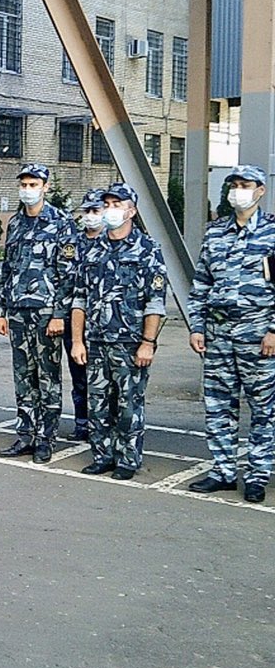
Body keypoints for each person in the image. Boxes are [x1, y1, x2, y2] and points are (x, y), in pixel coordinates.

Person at [186, 165, 275, 503]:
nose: (238, 190)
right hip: (218, 333)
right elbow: (201, 283)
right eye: (234, 184)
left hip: (258, 335)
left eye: (246, 184)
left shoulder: (271, 233)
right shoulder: (216, 232)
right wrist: (197, 326)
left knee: (263, 409)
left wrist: (273, 330)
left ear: (260, 190)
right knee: (219, 406)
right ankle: (223, 470)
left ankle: (256, 475)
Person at [69, 183, 167, 480]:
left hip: (129, 342)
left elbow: (156, 301)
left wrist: (148, 342)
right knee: (98, 403)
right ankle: (103, 454)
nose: (111, 209)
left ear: (131, 211)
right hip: (97, 341)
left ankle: (127, 458)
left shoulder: (148, 250)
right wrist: (77, 341)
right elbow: (80, 298)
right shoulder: (92, 249)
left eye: (117, 204)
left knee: (128, 406)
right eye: (107, 203)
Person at [0, 163, 79, 463]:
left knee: (47, 377)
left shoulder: (61, 223)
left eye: (33, 185)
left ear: (45, 186)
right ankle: (25, 435)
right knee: (23, 376)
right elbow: (8, 269)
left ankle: (46, 438)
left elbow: (68, 274)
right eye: (24, 185)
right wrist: (1, 311)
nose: (27, 190)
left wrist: (59, 314)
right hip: (18, 312)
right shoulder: (16, 224)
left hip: (46, 313)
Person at [62, 190, 106, 440]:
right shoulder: (73, 243)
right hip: (74, 321)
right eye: (86, 211)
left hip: (104, 323)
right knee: (79, 375)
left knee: (102, 379)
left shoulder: (110, 242)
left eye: (95, 211)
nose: (90, 216)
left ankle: (102, 425)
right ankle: (82, 424)